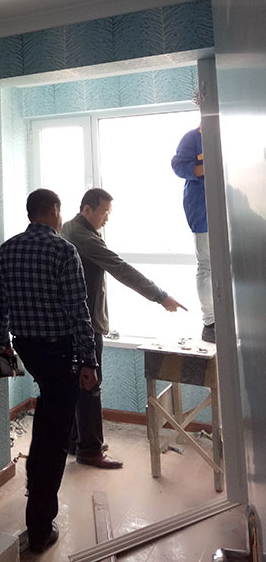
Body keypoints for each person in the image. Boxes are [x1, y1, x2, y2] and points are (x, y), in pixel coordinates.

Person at [0, 188, 98, 555]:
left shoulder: (8, 249)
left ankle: (35, 486)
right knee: (53, 436)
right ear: (54, 210)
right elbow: (78, 310)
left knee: (49, 419)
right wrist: (89, 361)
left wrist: (3, 343)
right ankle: (39, 526)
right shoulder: (63, 251)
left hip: (27, 348)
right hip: (60, 351)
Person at [61, 188, 185, 469]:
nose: (107, 219)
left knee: (79, 384)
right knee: (90, 385)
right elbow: (121, 269)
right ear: (87, 209)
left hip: (73, 322)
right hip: (86, 323)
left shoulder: (70, 229)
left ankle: (76, 441)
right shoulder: (83, 238)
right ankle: (90, 451)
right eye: (104, 212)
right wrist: (160, 296)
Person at [171, 95, 215, 343]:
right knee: (206, 265)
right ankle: (210, 321)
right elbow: (178, 165)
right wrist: (204, 169)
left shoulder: (228, 132)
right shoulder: (192, 138)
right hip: (202, 210)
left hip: (232, 210)